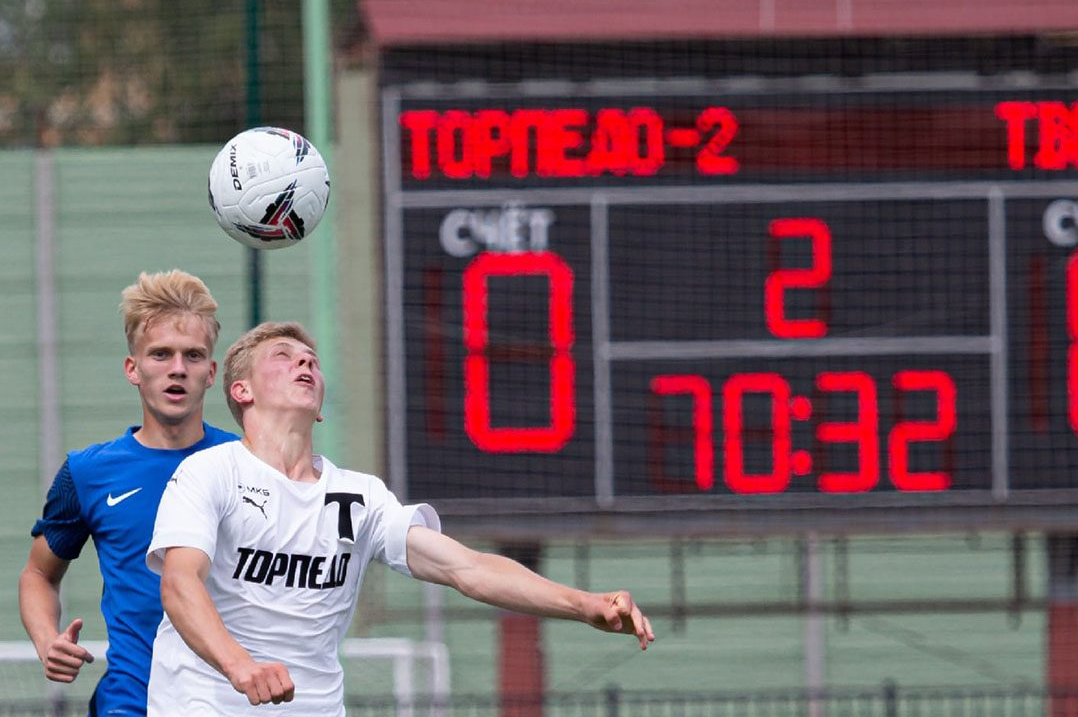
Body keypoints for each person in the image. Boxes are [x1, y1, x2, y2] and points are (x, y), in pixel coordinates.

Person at [146, 321, 653, 715]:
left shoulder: (359, 497)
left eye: (312, 361)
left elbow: (467, 569)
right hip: (202, 705)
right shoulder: (209, 472)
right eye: (283, 357)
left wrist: (583, 604)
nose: (304, 362)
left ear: (320, 405)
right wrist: (240, 667)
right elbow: (179, 584)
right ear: (242, 391)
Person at [18, 270, 238, 717]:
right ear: (132, 369)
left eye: (193, 356)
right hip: (131, 703)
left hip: (233, 701)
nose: (178, 368)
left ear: (211, 372)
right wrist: (47, 640)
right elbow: (38, 575)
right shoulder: (87, 472)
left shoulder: (248, 464)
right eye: (161, 354)